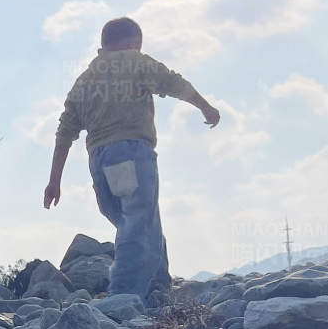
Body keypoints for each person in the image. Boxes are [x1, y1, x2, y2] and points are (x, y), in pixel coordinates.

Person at [42, 17, 219, 302]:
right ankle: (123, 295)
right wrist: (205, 107)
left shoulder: (84, 80)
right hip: (131, 153)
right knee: (137, 221)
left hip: (99, 161)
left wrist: (54, 181)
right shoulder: (134, 61)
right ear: (133, 43)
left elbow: (64, 133)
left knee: (139, 221)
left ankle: (157, 285)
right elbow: (174, 82)